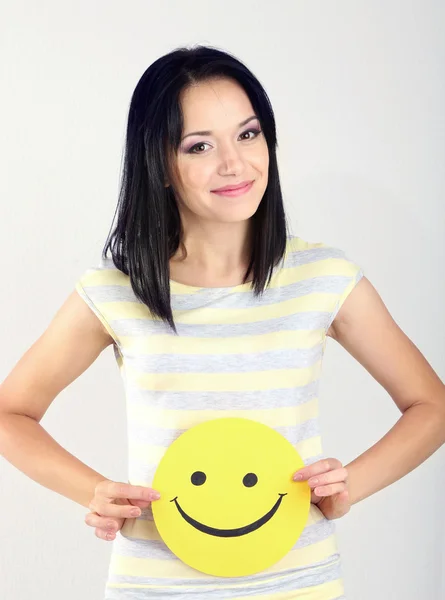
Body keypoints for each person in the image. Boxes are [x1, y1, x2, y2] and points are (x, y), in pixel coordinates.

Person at [0, 45, 444, 600]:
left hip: (298, 580)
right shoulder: (117, 291)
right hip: (155, 584)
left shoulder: (323, 278)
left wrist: (351, 484)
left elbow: (431, 405)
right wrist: (93, 489)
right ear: (160, 164)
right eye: (200, 145)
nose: (234, 163)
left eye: (249, 134)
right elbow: (10, 413)